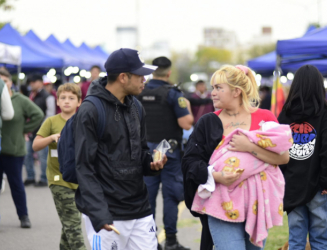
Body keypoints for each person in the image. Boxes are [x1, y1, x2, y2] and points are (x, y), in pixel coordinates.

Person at [182, 65, 290, 250]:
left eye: (218, 88)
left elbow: (283, 158)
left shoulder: (265, 117)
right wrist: (216, 177)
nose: (212, 93)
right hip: (221, 204)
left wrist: (249, 147)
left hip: (257, 206)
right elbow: (189, 162)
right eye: (212, 88)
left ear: (236, 92)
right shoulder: (208, 122)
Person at [74, 48, 167, 250]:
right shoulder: (91, 110)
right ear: (123, 77)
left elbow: (141, 152)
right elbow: (83, 166)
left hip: (140, 208)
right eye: (140, 75)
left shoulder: (137, 107)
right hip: (107, 212)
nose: (145, 79)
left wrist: (152, 163)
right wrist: (99, 213)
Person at [278, 65, 327, 250]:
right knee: (320, 241)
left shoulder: (285, 114)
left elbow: (277, 148)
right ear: (318, 85)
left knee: (296, 241)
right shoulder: (324, 112)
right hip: (318, 187)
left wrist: (283, 180)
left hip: (293, 186)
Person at [138, 56, 193, 250]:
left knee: (148, 197)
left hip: (145, 152)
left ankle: (149, 241)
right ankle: (170, 240)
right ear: (169, 72)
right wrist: (188, 107)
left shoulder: (139, 91)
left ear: (152, 71)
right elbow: (186, 123)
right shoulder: (173, 93)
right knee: (170, 196)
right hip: (169, 152)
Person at [32, 83, 86, 250]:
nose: (66, 101)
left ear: (79, 102)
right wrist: (52, 138)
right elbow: (35, 145)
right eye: (63, 98)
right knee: (73, 226)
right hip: (58, 180)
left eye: (71, 98)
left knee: (69, 223)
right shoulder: (51, 121)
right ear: (57, 102)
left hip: (80, 180)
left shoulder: (84, 122)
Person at [0, 68, 44, 228]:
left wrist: (24, 129)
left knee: (16, 184)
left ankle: (23, 216)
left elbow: (38, 114)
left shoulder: (20, 100)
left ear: (10, 83)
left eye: (5, 81)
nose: (2, 85)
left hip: (14, 150)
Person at [24, 74, 56, 187]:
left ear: (40, 82)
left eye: (33, 82)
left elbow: (50, 115)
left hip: (43, 132)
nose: (31, 84)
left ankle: (43, 178)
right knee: (27, 154)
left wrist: (43, 130)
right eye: (30, 83)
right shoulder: (31, 95)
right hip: (30, 131)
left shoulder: (48, 96)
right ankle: (30, 177)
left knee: (43, 156)